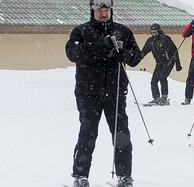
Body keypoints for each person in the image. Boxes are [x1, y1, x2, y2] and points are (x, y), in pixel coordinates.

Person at [65, 0, 142, 186]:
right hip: (88, 92)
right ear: (92, 11)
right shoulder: (81, 31)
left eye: (106, 10)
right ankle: (80, 175)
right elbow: (72, 53)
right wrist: (100, 45)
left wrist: (125, 54)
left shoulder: (123, 30)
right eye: (99, 10)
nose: (103, 13)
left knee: (121, 134)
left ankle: (124, 176)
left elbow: (136, 57)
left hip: (115, 92)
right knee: (87, 134)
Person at [141, 23, 182, 105]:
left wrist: (178, 64)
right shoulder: (150, 41)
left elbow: (175, 52)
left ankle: (164, 97)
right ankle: (156, 98)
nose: (154, 34)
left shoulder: (166, 39)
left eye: (155, 32)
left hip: (168, 62)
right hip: (159, 63)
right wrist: (137, 58)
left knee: (162, 77)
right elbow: (144, 51)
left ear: (159, 31)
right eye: (152, 32)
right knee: (154, 80)